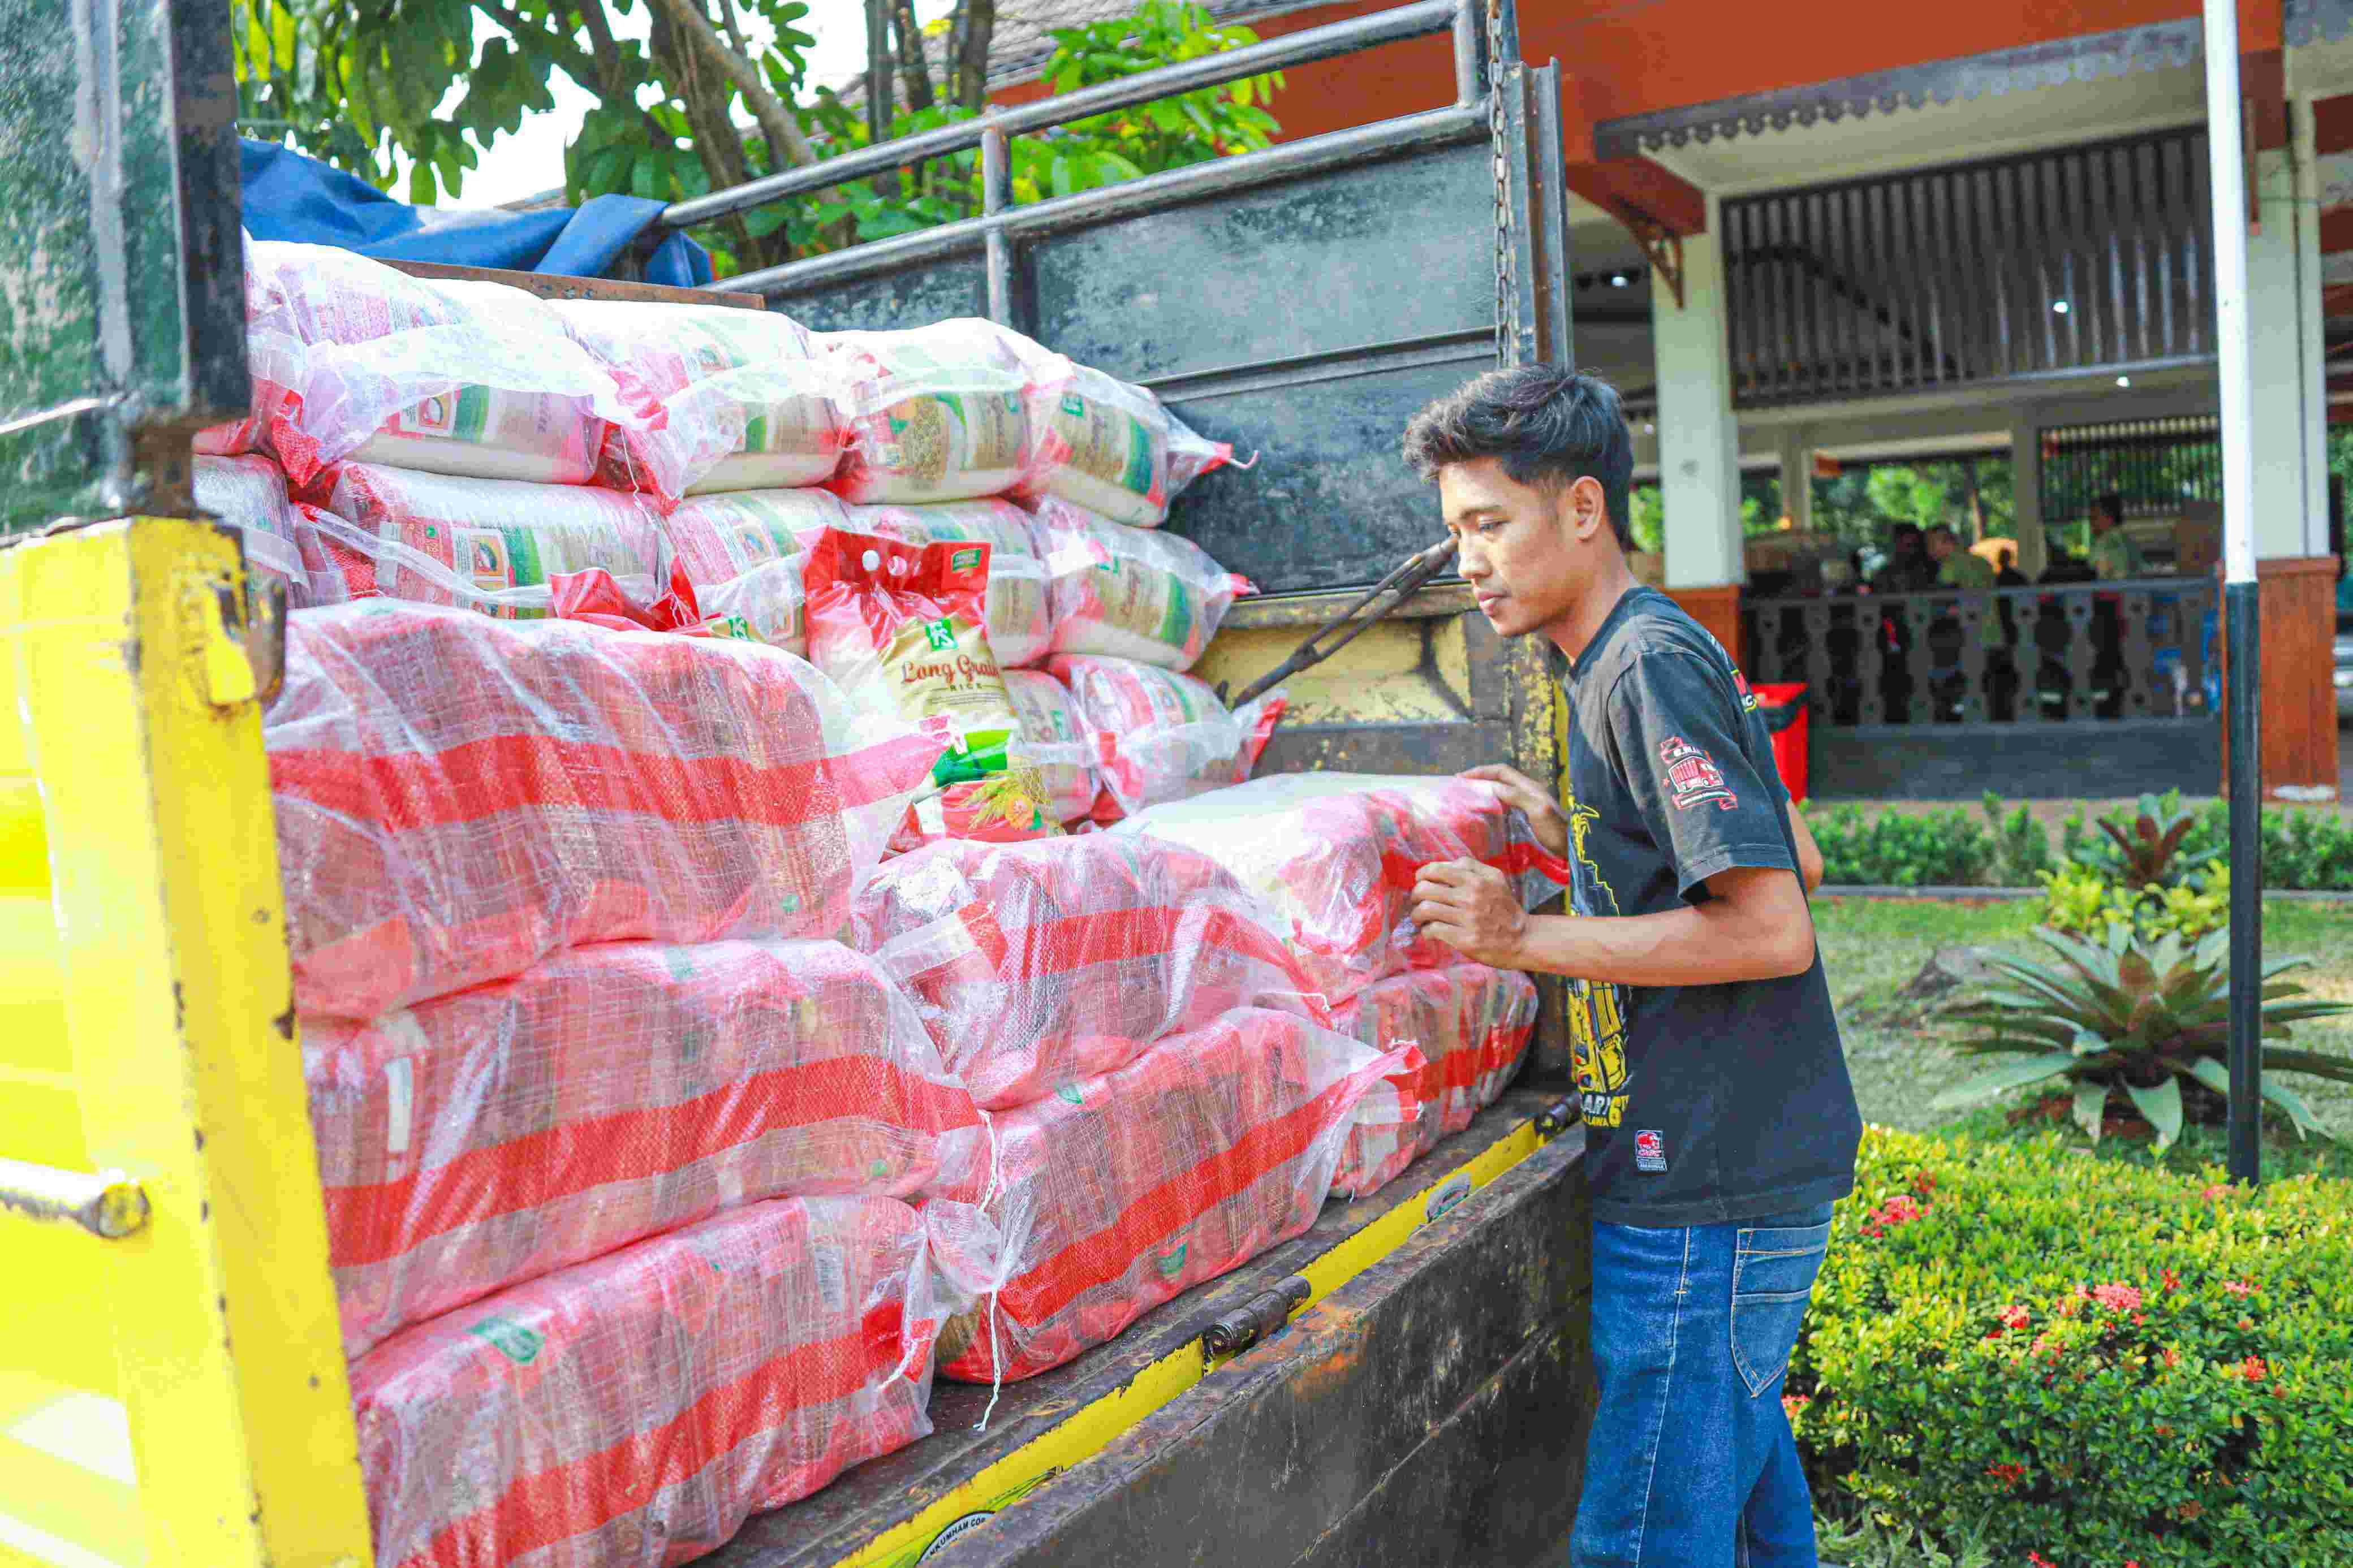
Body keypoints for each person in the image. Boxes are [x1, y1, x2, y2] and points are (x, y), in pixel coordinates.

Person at [1398, 366, 1861, 1568]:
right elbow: (1793, 848)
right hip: (1730, 1167)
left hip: (1709, 1181)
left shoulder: (1639, 664)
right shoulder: (1629, 655)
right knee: (1753, 1523)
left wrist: (1521, 938)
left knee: (1648, 1534)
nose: (1467, 560)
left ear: (1584, 510)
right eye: (1456, 532)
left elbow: (1771, 927)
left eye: (1488, 523)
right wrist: (1586, 832)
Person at [2087, 491, 2143, 581]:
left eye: (2094, 518)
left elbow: (2098, 577)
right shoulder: (2129, 542)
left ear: (2109, 518)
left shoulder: (2104, 543)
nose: (2091, 523)